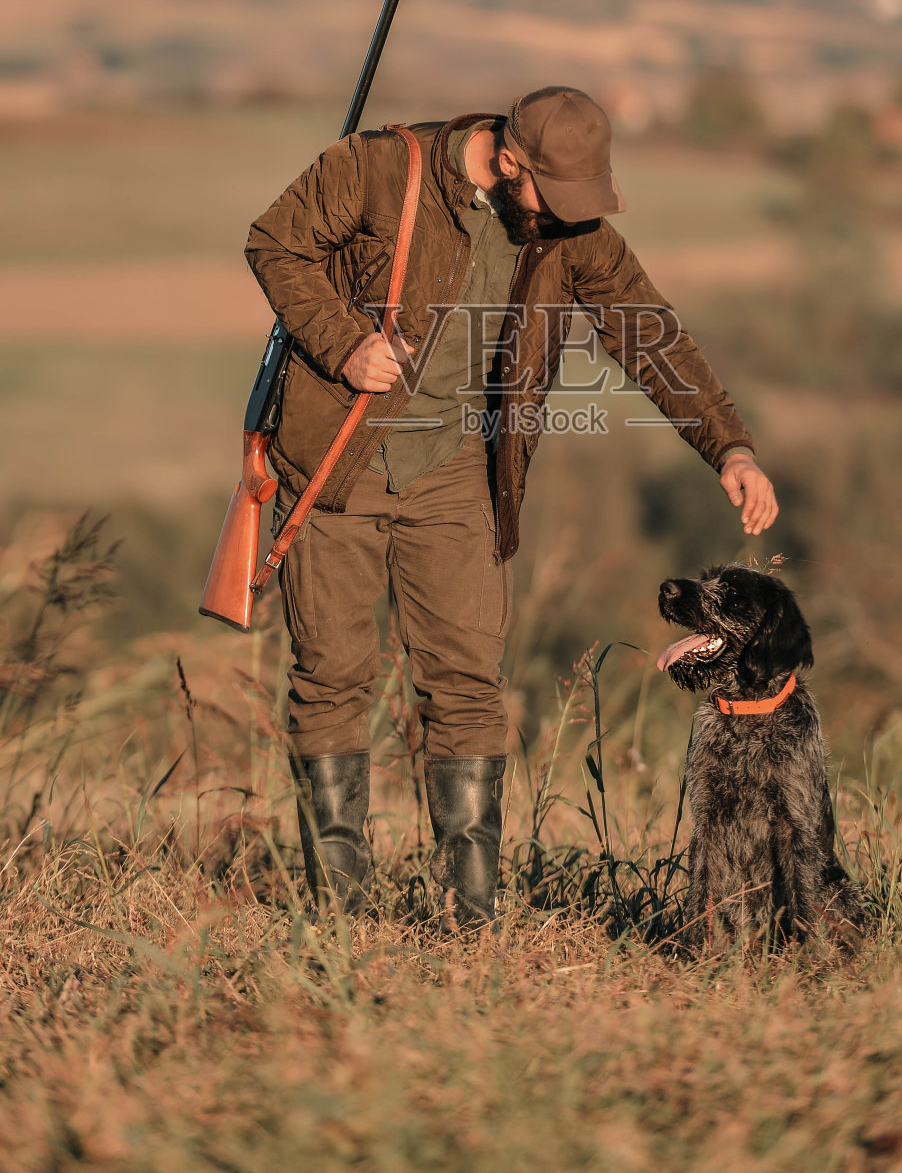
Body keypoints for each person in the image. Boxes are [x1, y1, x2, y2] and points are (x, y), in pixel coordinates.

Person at [245, 86, 778, 926]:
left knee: (466, 684)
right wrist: (344, 344)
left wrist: (729, 448)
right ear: (506, 161)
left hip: (464, 472)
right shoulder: (376, 168)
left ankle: (469, 919)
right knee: (331, 678)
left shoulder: (567, 227)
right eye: (552, 194)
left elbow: (647, 331)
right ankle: (337, 919)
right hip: (335, 465)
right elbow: (275, 244)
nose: (567, 216)